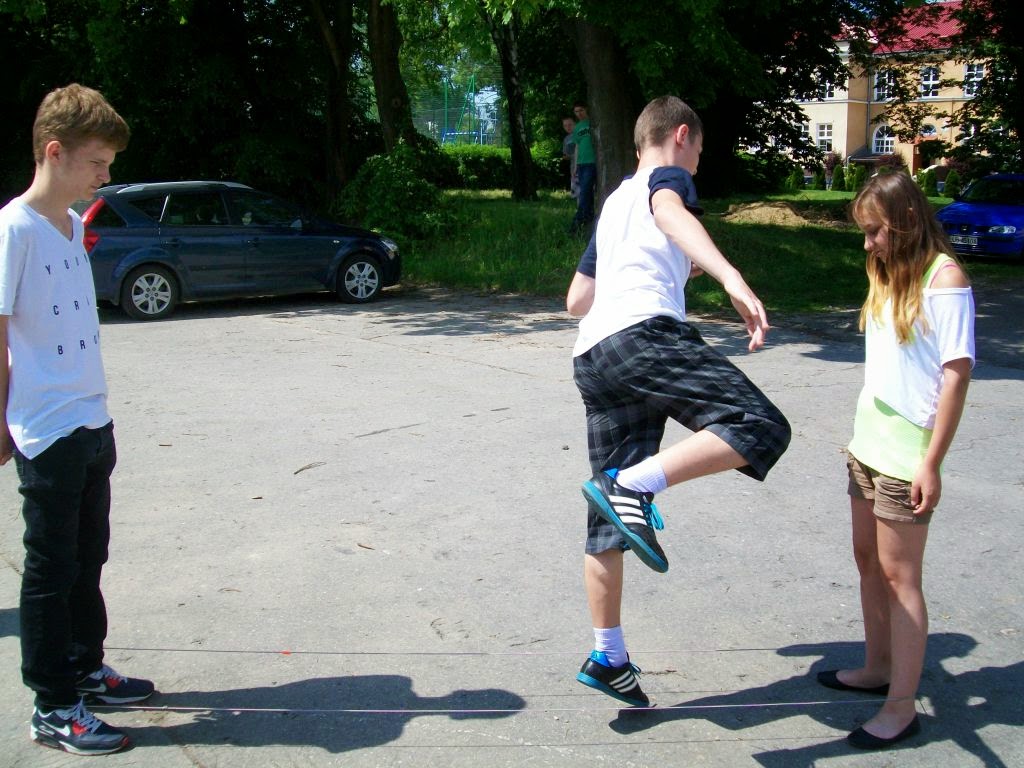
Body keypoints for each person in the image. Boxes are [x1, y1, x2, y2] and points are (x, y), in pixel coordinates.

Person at [570, 95, 791, 706]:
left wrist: (671, 263)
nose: (696, 166)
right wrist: (729, 276)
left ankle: (608, 656)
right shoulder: (666, 178)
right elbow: (670, 211)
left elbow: (576, 299)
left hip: (594, 357)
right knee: (759, 424)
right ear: (681, 136)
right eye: (698, 153)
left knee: (607, 514)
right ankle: (633, 485)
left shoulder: (613, 204)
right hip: (644, 337)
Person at [0, 83, 155, 756]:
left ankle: (85, 668)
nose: (106, 175)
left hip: (91, 420)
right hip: (47, 428)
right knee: (51, 569)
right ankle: (54, 705)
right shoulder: (14, 229)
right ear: (55, 152)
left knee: (89, 558)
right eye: (97, 162)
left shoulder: (69, 226)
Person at [815, 172, 974, 749]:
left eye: (875, 231)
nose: (868, 243)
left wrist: (932, 462)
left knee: (901, 577)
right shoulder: (886, 271)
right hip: (868, 441)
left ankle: (901, 707)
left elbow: (956, 376)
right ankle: (878, 667)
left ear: (905, 222)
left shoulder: (945, 279)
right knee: (867, 560)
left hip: (908, 453)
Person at [569, 102, 596, 235]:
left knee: (585, 192)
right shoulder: (577, 127)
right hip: (581, 163)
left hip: (592, 162)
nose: (579, 113)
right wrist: (575, 166)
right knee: (586, 193)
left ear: (586, 109)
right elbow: (577, 147)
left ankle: (577, 222)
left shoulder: (593, 123)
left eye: (581, 110)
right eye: (576, 111)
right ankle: (588, 218)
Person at [561, 116, 578, 199]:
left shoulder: (580, 135)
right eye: (565, 125)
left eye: (570, 125)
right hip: (573, 167)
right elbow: (565, 154)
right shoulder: (566, 139)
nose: (568, 127)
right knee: (576, 191)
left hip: (583, 164)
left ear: (575, 124)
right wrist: (566, 157)